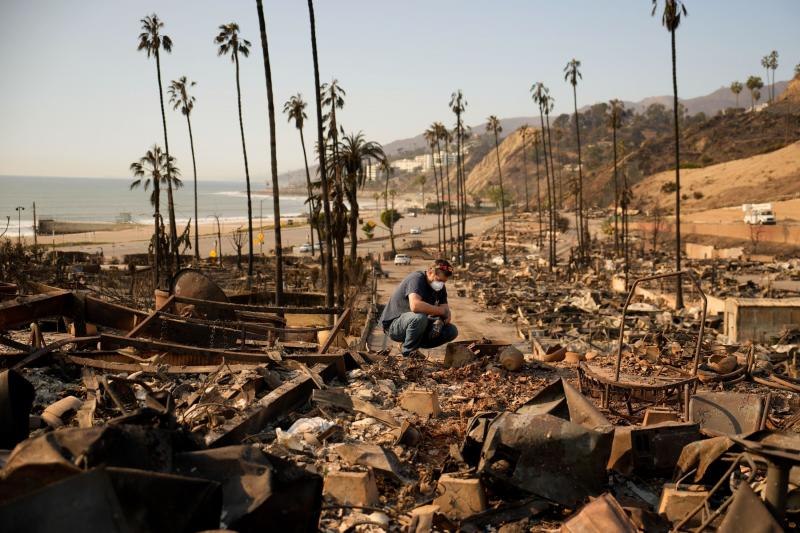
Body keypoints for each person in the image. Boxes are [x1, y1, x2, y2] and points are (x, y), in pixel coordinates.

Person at [379, 259, 458, 356]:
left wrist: (440, 322)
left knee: (451, 331)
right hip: (394, 325)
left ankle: (408, 345)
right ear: (430, 272)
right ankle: (409, 353)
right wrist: (441, 311)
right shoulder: (416, 279)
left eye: (444, 282)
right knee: (419, 317)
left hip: (415, 325)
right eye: (439, 280)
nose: (441, 284)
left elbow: (447, 314)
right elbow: (415, 306)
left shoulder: (440, 288)